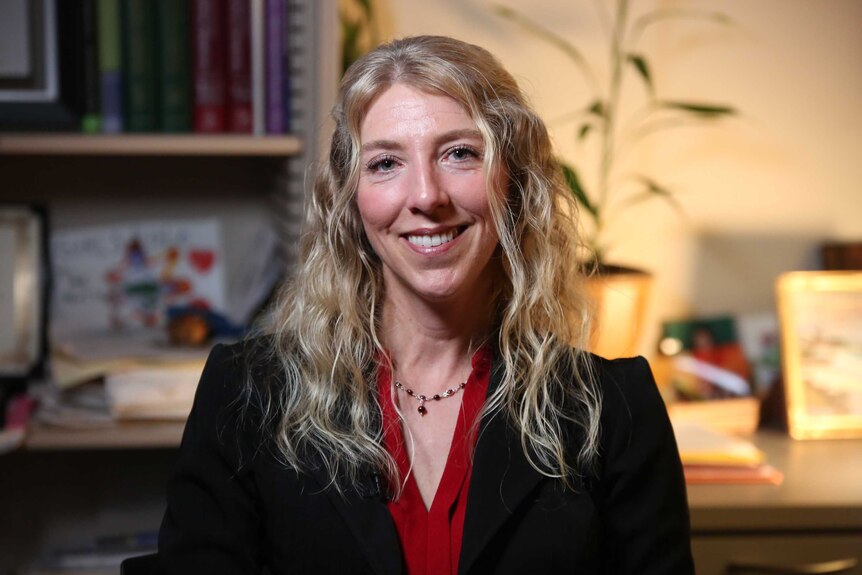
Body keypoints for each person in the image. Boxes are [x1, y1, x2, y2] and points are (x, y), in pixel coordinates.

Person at [158, 35, 694, 574]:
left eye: (460, 153)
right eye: (386, 162)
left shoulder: (616, 410)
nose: (426, 196)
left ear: (513, 183)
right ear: (351, 199)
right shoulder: (245, 395)